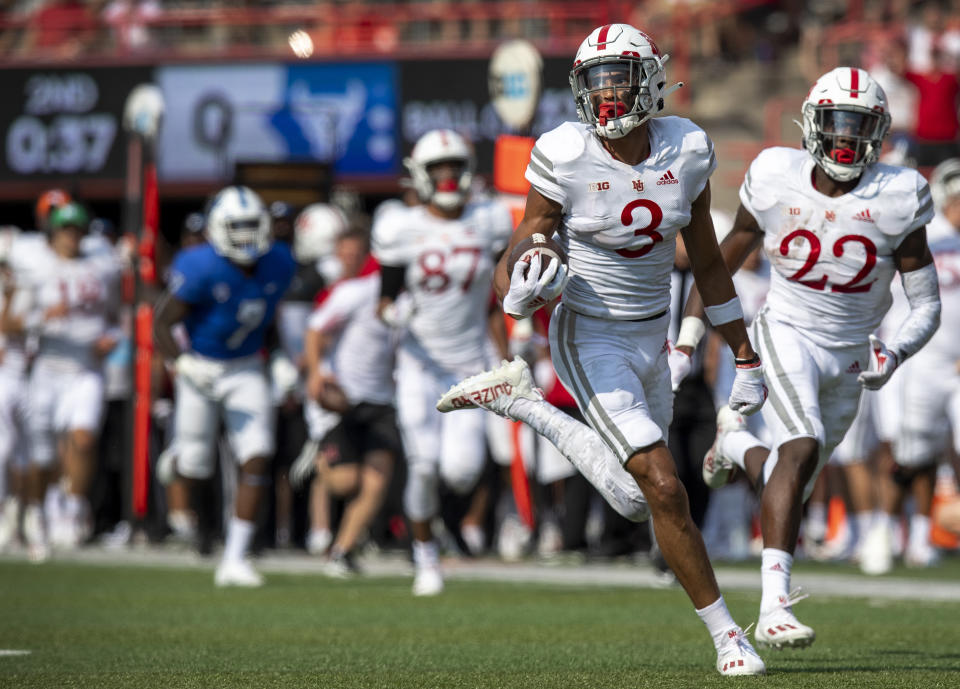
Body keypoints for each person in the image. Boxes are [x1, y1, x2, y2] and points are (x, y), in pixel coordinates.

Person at [437, 24, 767, 676]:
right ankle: (729, 633)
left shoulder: (688, 147)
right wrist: (520, 282)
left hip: (654, 334)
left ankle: (520, 402)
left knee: (636, 496)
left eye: (617, 79)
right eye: (595, 82)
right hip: (588, 333)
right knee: (665, 486)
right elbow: (525, 240)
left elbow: (706, 261)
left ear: (648, 81)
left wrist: (745, 354)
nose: (607, 95)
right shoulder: (564, 151)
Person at [680, 68, 940, 650]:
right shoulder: (775, 175)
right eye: (837, 124)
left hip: (851, 356)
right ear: (811, 125)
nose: (846, 139)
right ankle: (774, 606)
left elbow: (925, 306)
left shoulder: (899, 195)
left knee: (788, 482)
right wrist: (688, 336)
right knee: (801, 443)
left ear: (879, 132)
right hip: (787, 332)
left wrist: (895, 351)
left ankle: (735, 445)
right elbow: (719, 263)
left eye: (860, 126)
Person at [373, 128, 513, 597]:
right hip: (418, 364)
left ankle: (444, 532)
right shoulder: (399, 224)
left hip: (468, 363)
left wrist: (513, 342)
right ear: (421, 174)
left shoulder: (489, 219)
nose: (449, 176)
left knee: (461, 470)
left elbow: (498, 295)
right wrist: (396, 313)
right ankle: (426, 557)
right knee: (425, 465)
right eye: (439, 168)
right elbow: (384, 300)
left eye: (455, 166)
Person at [153, 185, 296, 587]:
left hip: (246, 367)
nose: (247, 235)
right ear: (218, 229)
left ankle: (235, 556)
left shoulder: (279, 262)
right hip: (201, 366)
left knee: (257, 453)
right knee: (197, 466)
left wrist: (280, 358)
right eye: (238, 226)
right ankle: (178, 458)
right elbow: (162, 322)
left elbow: (264, 317)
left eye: (253, 225)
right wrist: (180, 362)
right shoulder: (198, 266)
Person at [4, 202, 121, 558]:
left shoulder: (100, 266)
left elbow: (116, 314)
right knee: (42, 454)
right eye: (66, 229)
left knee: (84, 438)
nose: (73, 236)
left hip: (86, 367)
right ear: (52, 232)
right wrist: (43, 318)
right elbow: (8, 323)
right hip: (47, 366)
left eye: (78, 229)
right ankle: (38, 510)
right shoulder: (35, 268)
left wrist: (113, 335)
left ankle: (71, 507)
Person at [861, 157, 960, 573]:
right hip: (911, 359)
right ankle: (885, 531)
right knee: (904, 451)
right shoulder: (923, 237)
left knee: (936, 452)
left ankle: (919, 534)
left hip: (951, 365)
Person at [303, 228, 401, 576]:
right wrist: (316, 373)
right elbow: (315, 329)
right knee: (345, 482)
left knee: (376, 480)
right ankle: (318, 464)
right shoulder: (355, 293)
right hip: (346, 400)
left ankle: (341, 551)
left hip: (383, 402)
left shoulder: (411, 299)